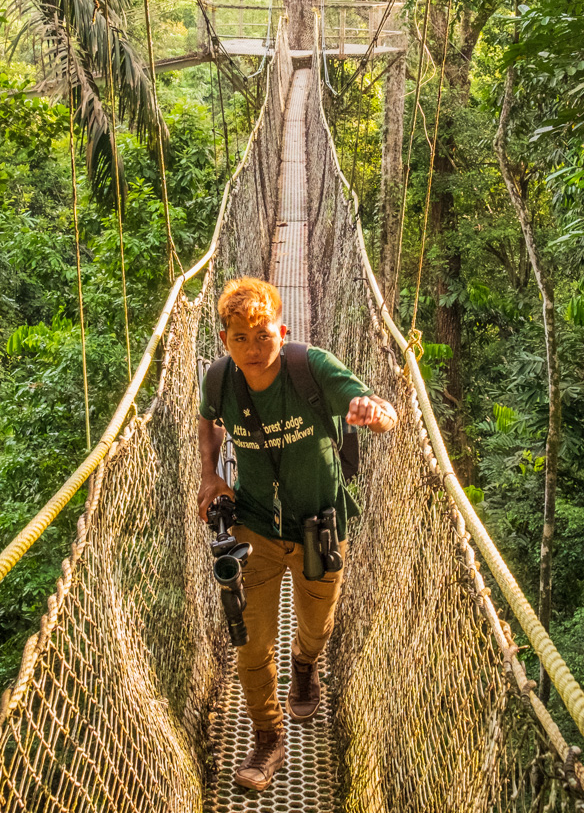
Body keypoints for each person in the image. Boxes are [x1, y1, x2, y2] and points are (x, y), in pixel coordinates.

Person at [196, 275, 398, 792]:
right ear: (225, 341)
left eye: (262, 334)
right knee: (249, 644)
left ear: (281, 331)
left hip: (320, 524)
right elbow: (209, 420)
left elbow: (382, 411)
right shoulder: (219, 379)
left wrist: (375, 415)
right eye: (240, 338)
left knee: (315, 624)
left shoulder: (314, 369)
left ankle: (305, 666)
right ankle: (268, 737)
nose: (253, 348)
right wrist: (210, 473)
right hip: (254, 526)